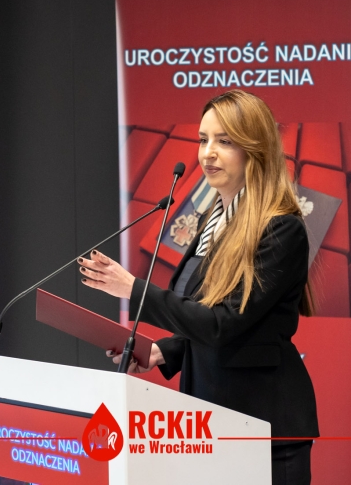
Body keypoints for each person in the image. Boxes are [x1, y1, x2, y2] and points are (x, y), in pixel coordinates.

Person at [79, 90, 318, 485]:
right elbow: (205, 315)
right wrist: (161, 352)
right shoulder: (211, 219)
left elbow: (223, 324)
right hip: (210, 422)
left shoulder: (281, 229)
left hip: (264, 428)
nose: (208, 153)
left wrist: (133, 289)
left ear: (255, 149)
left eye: (224, 141)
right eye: (203, 139)